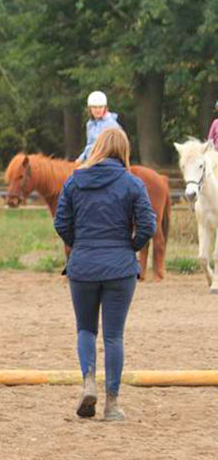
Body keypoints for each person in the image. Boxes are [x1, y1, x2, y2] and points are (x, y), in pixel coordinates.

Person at [54, 128, 156, 421]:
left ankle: (88, 382)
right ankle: (112, 404)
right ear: (123, 150)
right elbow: (148, 224)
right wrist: (130, 247)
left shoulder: (75, 181)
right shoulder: (132, 183)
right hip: (120, 268)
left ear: (97, 147)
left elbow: (61, 223)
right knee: (114, 336)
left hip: (83, 266)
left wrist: (80, 243)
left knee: (85, 330)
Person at [76, 90, 121, 163]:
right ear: (90, 108)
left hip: (105, 162)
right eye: (94, 107)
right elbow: (90, 144)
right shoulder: (90, 124)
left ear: (105, 108)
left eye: (100, 107)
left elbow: (115, 148)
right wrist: (81, 158)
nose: (97, 110)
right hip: (91, 160)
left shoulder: (112, 125)